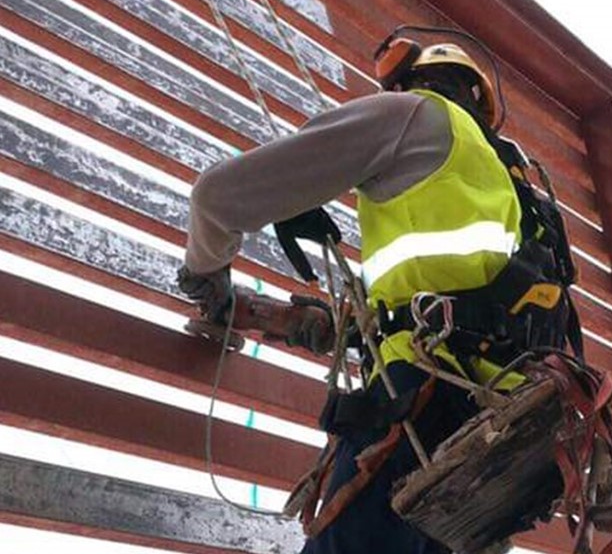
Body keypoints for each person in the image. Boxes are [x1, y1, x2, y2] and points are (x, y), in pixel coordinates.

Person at [176, 35, 576, 553]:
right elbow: (448, 312)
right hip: (499, 445)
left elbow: (218, 198)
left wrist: (203, 278)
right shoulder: (516, 196)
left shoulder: (415, 115)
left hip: (422, 407)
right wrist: (309, 323)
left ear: (413, 84)